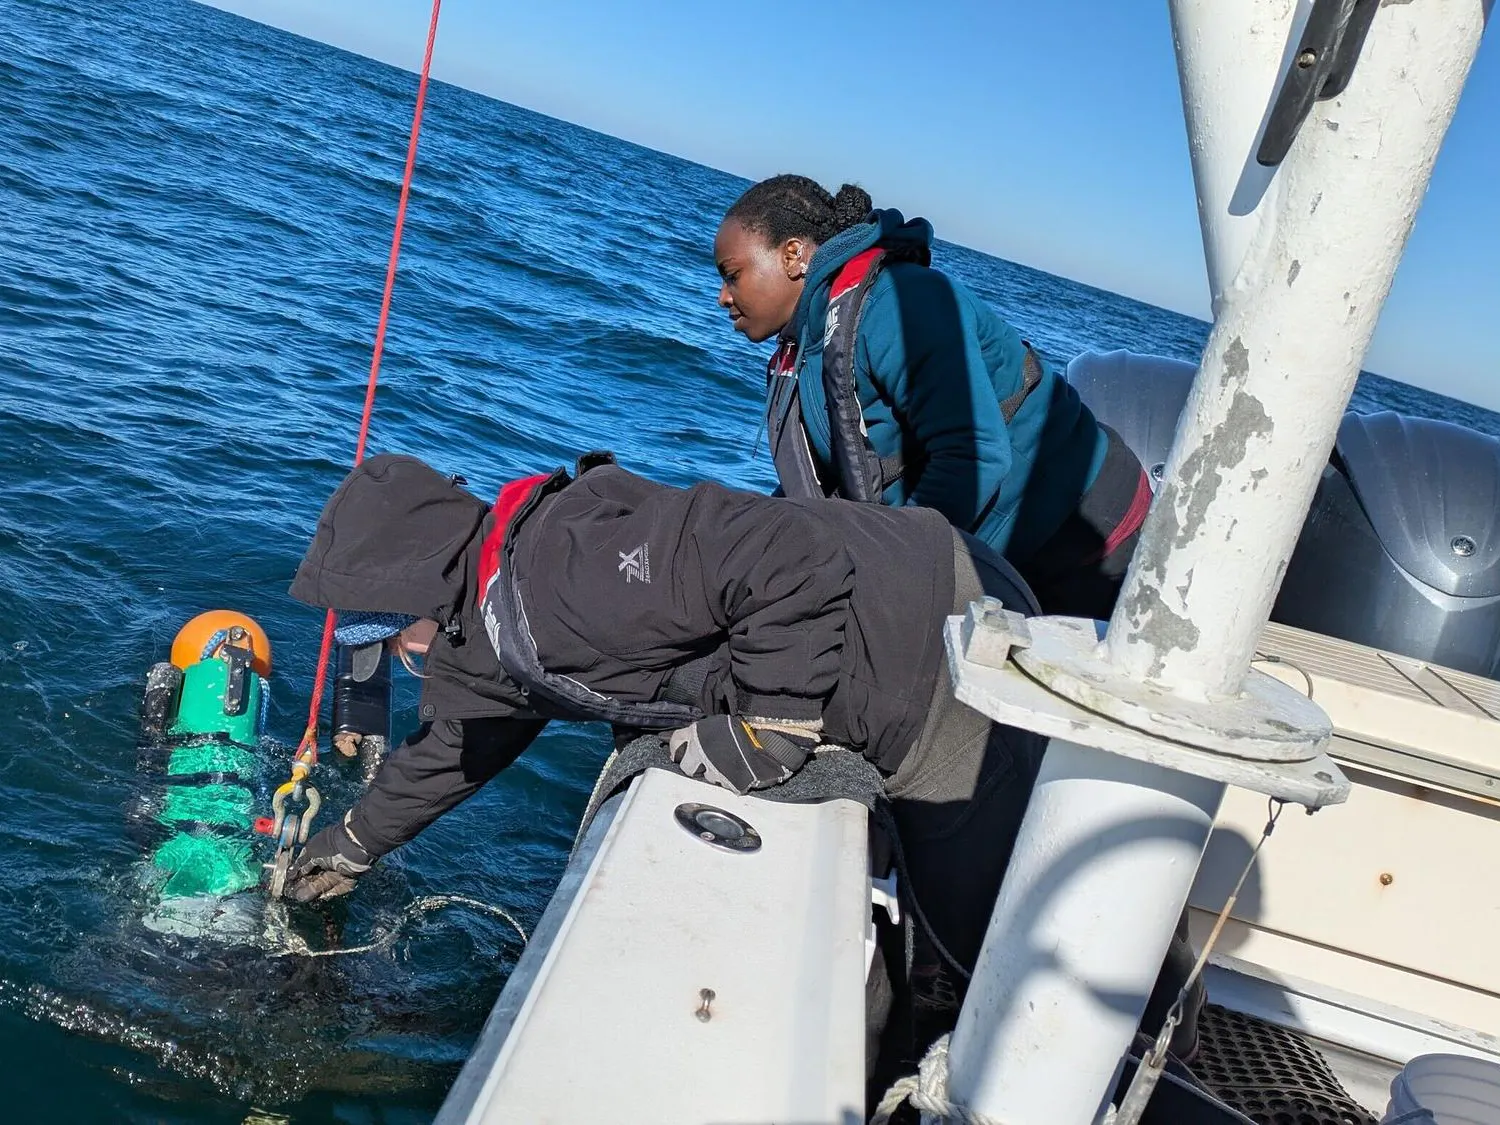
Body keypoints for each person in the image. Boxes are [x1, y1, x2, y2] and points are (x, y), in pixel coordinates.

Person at [282, 451, 1200, 1091]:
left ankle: (1162, 1061)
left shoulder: (563, 576)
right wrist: (350, 844)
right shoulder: (493, 599)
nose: (396, 654)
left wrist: (768, 726)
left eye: (388, 630)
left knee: (983, 943)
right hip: (917, 595)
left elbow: (786, 557)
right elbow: (461, 740)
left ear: (421, 590)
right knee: (954, 932)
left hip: (932, 648)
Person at [713, 174, 1153, 620]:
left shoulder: (900, 303)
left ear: (793, 256)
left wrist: (882, 576)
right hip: (995, 545)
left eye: (733, 275)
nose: (723, 297)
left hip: (1087, 539)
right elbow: (818, 481)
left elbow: (974, 455)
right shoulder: (809, 344)